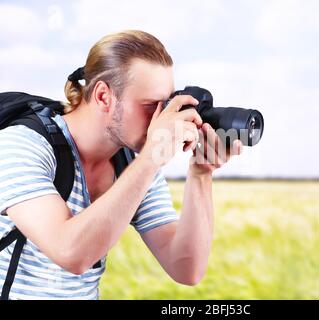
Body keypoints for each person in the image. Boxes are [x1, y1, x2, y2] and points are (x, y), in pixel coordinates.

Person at [0, 30, 243, 299]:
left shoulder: (133, 164)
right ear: (104, 96)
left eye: (167, 104)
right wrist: (151, 158)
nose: (161, 118)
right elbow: (71, 253)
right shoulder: (22, 144)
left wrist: (201, 173)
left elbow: (186, 267)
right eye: (151, 105)